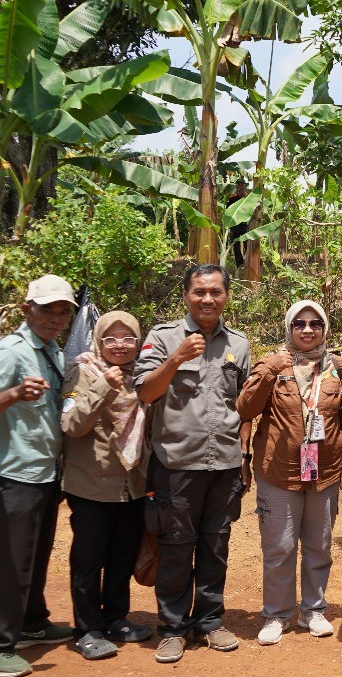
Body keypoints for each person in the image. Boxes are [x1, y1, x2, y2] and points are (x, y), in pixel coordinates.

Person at [135, 263, 251, 663]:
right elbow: (147, 394)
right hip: (177, 464)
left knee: (216, 544)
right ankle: (171, 627)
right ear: (186, 295)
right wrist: (176, 358)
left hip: (224, 465)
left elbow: (244, 408)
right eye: (199, 292)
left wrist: (245, 455)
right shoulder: (163, 337)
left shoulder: (239, 343)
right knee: (176, 546)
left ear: (226, 297)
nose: (207, 299)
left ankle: (209, 621)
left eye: (215, 292)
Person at [236, 301, 342, 646]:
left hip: (326, 473)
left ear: (325, 328)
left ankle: (313, 610)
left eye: (315, 323)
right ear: (289, 327)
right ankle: (276, 615)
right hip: (279, 473)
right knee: (280, 547)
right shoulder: (272, 364)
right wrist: (270, 371)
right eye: (300, 324)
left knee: (319, 545)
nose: (307, 330)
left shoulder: (338, 368)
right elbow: (246, 409)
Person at [61, 311, 153, 660]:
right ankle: (88, 628)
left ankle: (116, 618)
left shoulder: (141, 376)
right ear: (97, 341)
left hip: (131, 484)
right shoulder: (82, 372)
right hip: (90, 486)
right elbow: (71, 424)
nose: (120, 345)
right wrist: (103, 387)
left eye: (128, 338)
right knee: (88, 559)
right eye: (111, 338)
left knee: (121, 557)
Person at [0, 275, 78, 677]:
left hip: (46, 472)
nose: (57, 317)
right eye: (48, 309)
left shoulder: (53, 350)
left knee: (35, 553)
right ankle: (1, 643)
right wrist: (13, 394)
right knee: (12, 561)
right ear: (27, 308)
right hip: (16, 473)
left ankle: (32, 622)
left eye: (64, 310)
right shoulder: (11, 352)